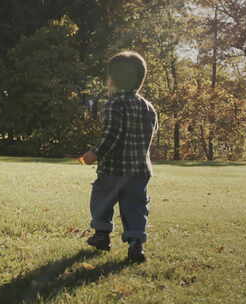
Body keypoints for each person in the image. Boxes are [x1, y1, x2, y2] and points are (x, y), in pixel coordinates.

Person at [80, 51, 158, 263]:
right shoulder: (148, 107)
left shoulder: (114, 103)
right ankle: (136, 244)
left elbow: (112, 135)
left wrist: (95, 153)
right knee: (136, 206)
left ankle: (102, 235)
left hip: (113, 169)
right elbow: (149, 136)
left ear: (112, 80)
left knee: (102, 199)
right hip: (140, 171)